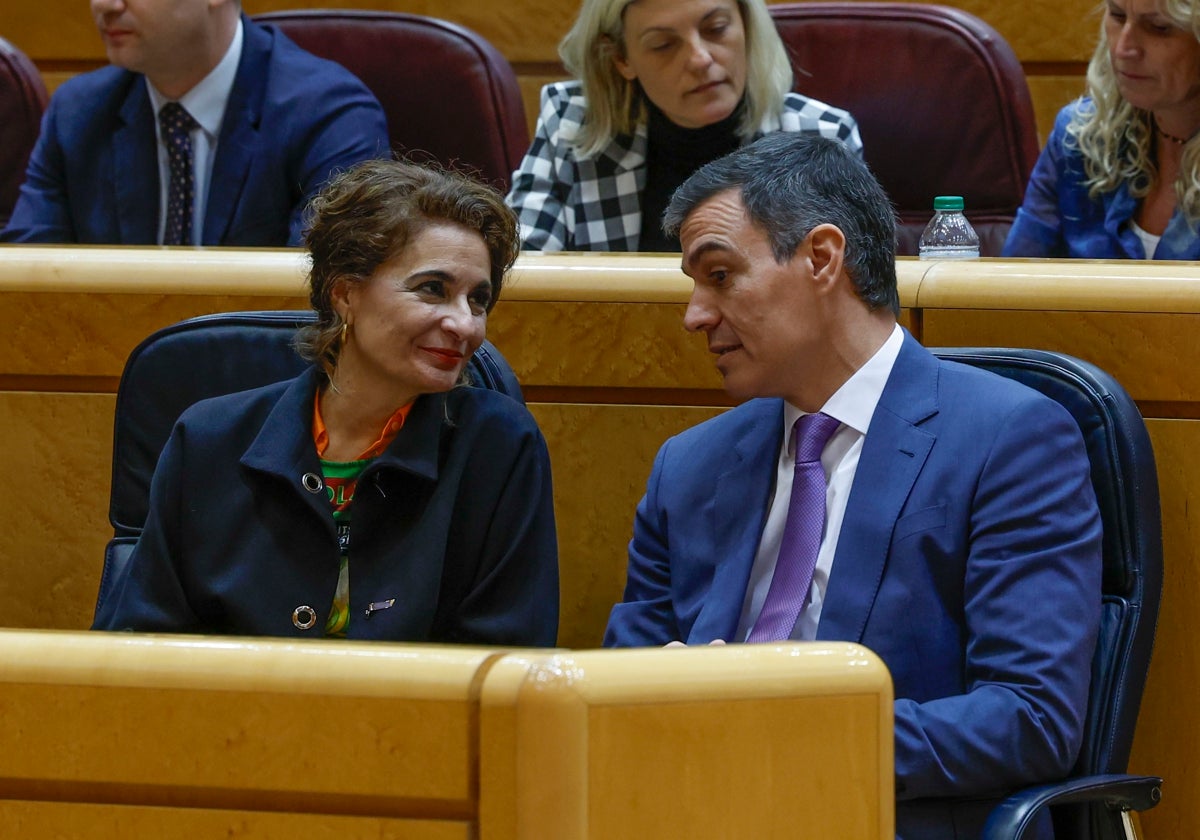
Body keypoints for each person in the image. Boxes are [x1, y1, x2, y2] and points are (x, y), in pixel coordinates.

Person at [604, 133, 1102, 839]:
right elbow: (620, 684)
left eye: (719, 276)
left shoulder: (1009, 439)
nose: (694, 314)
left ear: (821, 257)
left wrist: (780, 723)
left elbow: (1031, 718)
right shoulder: (688, 466)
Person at [93, 160, 559, 646]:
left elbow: (506, 667)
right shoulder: (208, 440)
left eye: (477, 300)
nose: (465, 325)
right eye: (432, 290)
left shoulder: (500, 447)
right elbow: (135, 650)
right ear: (345, 292)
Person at [1, 0, 389, 247]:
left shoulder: (329, 114)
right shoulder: (79, 113)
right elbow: (30, 284)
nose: (104, 5)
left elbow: (318, 297)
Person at [506, 0, 861, 252]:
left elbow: (857, 294)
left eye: (716, 29)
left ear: (746, 26)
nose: (700, 59)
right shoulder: (573, 126)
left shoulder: (823, 136)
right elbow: (519, 273)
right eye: (663, 45)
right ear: (621, 58)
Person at [1003, 0, 1200, 259]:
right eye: (1117, 16)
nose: (1123, 48)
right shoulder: (1079, 134)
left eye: (1159, 27)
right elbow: (1009, 286)